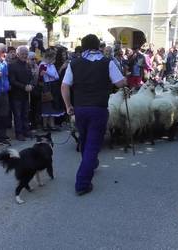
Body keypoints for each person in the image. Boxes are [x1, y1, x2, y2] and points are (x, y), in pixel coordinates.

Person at [61, 34, 126, 195]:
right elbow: (119, 83)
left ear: (83, 46)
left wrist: (68, 105)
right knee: (92, 145)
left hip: (80, 109)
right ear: (98, 46)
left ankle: (91, 163)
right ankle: (82, 183)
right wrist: (124, 79)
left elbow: (64, 86)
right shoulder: (107, 62)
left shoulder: (74, 63)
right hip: (98, 108)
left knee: (84, 140)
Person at [8, 46, 33, 141]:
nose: (24, 55)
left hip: (26, 94)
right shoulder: (12, 65)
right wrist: (24, 87)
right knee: (18, 115)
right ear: (18, 54)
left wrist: (30, 85)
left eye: (26, 54)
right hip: (16, 95)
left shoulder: (27, 65)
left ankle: (26, 131)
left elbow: (31, 77)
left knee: (25, 114)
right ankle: (19, 133)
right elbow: (12, 80)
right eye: (22, 54)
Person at [39, 48, 64, 131]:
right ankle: (45, 125)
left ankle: (52, 124)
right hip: (46, 86)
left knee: (53, 104)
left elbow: (56, 76)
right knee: (47, 104)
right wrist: (48, 73)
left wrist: (47, 72)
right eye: (52, 58)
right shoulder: (42, 64)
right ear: (48, 57)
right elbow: (41, 76)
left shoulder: (52, 65)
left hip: (53, 86)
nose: (53, 60)